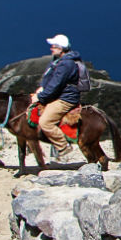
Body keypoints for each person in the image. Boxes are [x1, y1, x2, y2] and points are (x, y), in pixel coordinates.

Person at [30, 33, 84, 162]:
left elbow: (56, 84)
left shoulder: (66, 64)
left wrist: (41, 97)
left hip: (65, 98)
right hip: (57, 94)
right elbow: (49, 78)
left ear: (61, 48)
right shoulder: (57, 60)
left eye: (54, 46)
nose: (51, 48)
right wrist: (42, 87)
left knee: (45, 122)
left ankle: (63, 147)